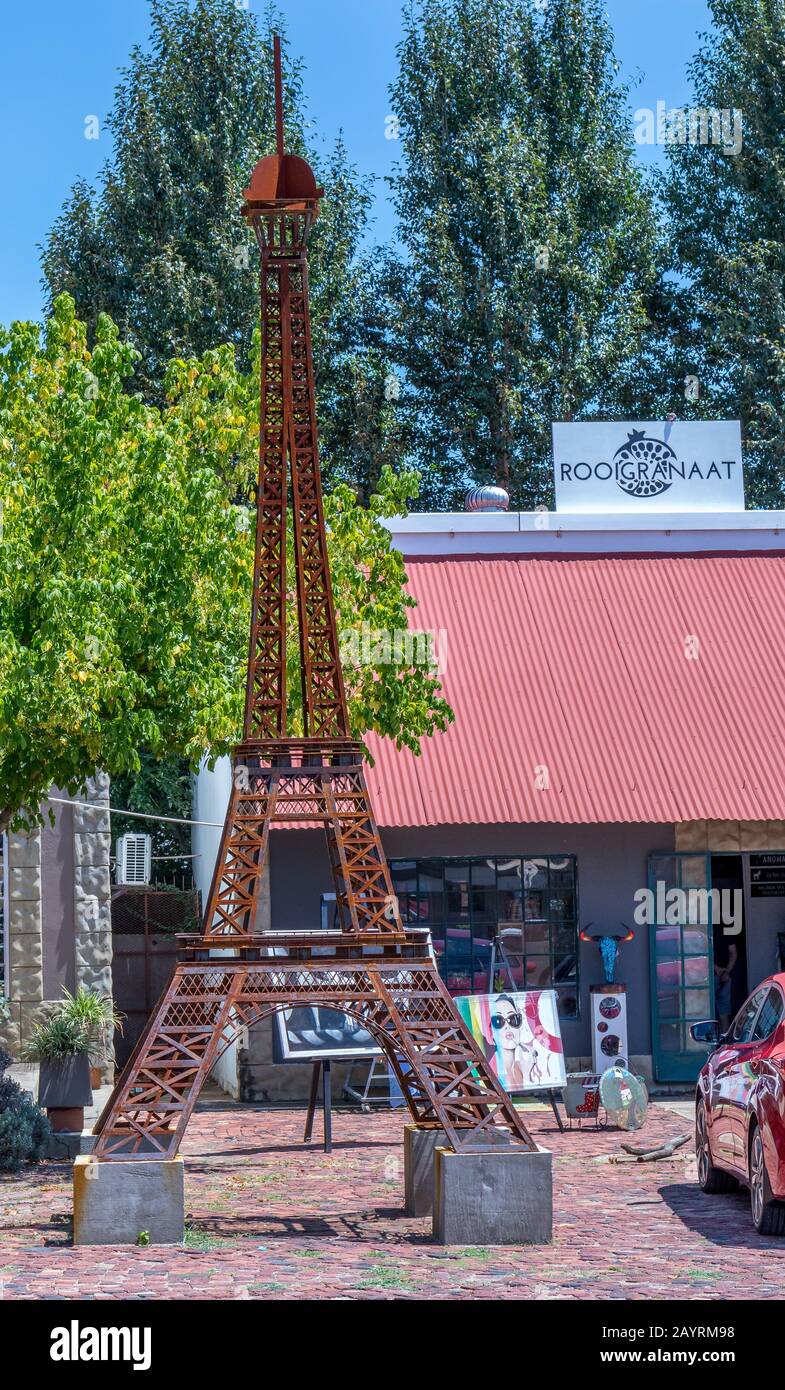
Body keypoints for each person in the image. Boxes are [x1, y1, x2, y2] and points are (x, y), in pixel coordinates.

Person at [484, 994, 540, 1088]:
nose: (507, 1026)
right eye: (498, 1021)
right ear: (491, 1032)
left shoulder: (521, 1066)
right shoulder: (490, 1070)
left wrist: (527, 1074)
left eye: (513, 1019)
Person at [712, 929, 738, 1034]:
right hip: (724, 976)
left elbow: (703, 955)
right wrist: (726, 971)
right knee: (724, 1012)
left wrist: (718, 970)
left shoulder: (705, 929)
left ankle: (711, 1042)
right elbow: (733, 953)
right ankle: (725, 1041)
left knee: (709, 1010)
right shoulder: (726, 929)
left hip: (710, 977)